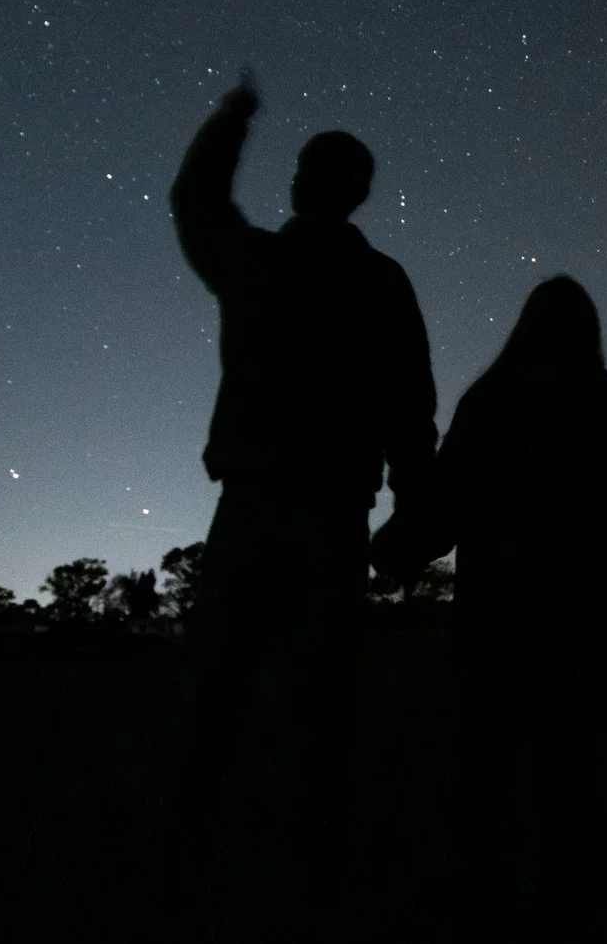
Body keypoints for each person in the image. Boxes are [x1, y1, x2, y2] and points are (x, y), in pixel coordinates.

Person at [167, 68, 438, 895]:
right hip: (331, 518)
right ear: (358, 194)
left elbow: (195, 202)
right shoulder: (381, 283)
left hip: (251, 508)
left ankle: (186, 852)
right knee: (321, 699)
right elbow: (410, 410)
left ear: (301, 184)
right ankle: (316, 860)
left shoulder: (257, 264)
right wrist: (414, 513)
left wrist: (230, 119)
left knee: (216, 691)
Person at [374, 275, 607, 942]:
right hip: (582, 640)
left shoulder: (493, 402)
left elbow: (446, 501)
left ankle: (484, 906)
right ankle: (571, 910)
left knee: (484, 786)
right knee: (572, 785)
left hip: (495, 633)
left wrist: (395, 546)